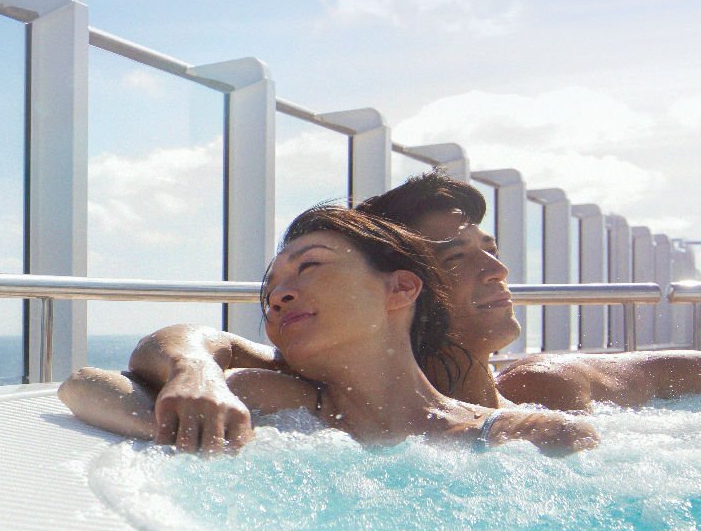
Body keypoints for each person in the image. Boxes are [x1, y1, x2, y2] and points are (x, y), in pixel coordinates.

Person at [76, 172, 701, 453]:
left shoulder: (548, 389)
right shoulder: (313, 389)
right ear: (407, 284)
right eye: (457, 260)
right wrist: (194, 376)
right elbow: (183, 349)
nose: (498, 271)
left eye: (491, 252)